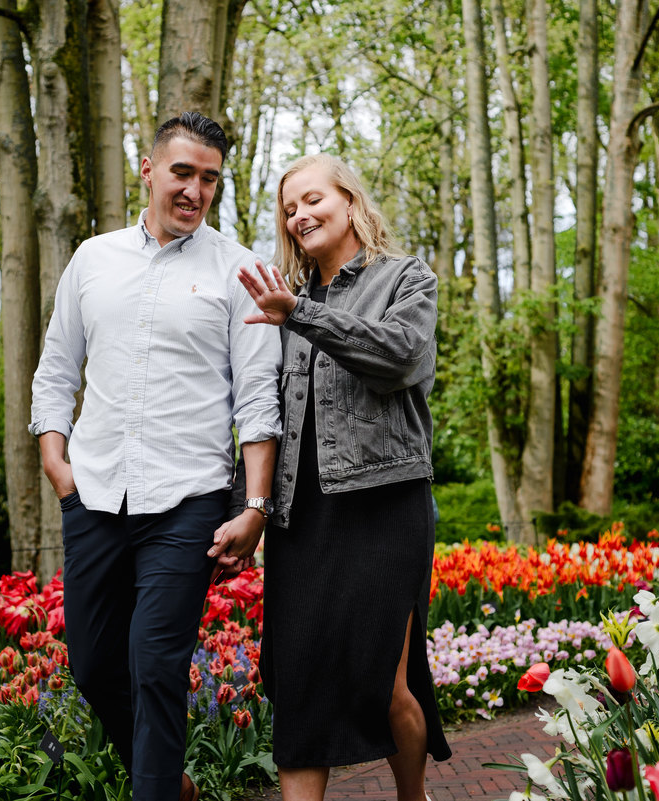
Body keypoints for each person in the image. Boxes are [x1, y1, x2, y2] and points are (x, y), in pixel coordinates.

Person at [29, 112, 282, 801]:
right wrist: (59, 466)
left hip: (187, 500)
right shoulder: (93, 259)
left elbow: (258, 402)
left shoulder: (241, 271)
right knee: (91, 663)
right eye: (182, 173)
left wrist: (254, 507)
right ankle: (173, 784)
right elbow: (56, 370)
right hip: (96, 496)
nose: (194, 190)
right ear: (148, 169)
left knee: (156, 664)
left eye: (209, 179)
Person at [237, 153, 451, 801]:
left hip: (385, 508)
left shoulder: (406, 278)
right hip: (302, 521)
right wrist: (251, 506)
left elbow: (400, 358)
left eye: (311, 199)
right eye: (289, 208)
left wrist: (300, 315)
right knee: (298, 687)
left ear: (350, 200)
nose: (299, 214)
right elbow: (264, 411)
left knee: (382, 687)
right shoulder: (285, 304)